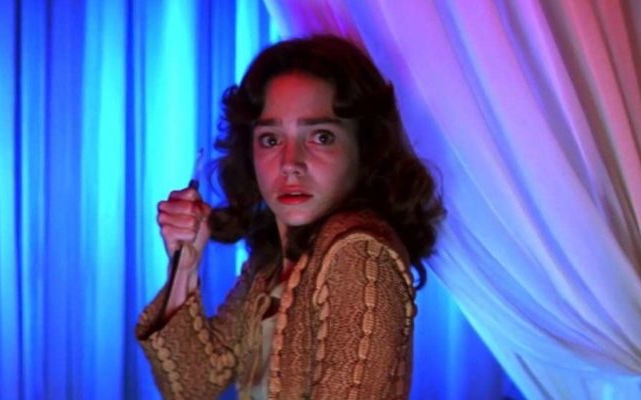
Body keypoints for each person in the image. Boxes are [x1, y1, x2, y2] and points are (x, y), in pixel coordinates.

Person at [136, 35, 445, 399]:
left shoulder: (358, 254)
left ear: (364, 148)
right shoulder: (270, 264)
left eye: (321, 137)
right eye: (270, 139)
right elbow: (193, 385)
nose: (290, 164)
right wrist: (184, 265)